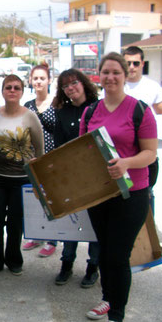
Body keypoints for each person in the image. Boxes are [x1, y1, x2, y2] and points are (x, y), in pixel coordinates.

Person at [81, 52, 157, 322]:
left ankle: (117, 317)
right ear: (98, 76)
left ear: (125, 75)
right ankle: (107, 298)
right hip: (100, 194)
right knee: (103, 252)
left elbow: (150, 154)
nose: (110, 77)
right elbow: (84, 151)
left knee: (118, 256)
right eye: (106, 72)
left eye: (116, 72)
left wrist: (125, 163)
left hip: (132, 194)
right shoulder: (90, 112)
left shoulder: (140, 110)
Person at [0, 75, 44, 277]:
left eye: (16, 87)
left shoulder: (30, 116)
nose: (12, 90)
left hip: (21, 179)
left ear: (22, 91)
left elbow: (39, 148)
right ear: (2, 91)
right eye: (8, 87)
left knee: (16, 222)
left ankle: (14, 260)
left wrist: (38, 177)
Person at [52, 69, 100, 287]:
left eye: (74, 83)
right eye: (66, 86)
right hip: (71, 177)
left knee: (95, 225)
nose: (71, 88)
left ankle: (93, 268)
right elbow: (58, 146)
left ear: (83, 83)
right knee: (71, 224)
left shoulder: (99, 107)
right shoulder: (62, 112)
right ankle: (67, 264)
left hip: (97, 176)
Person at [122, 45, 162, 214]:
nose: (132, 67)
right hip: (122, 153)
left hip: (145, 152)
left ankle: (149, 235)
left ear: (142, 64)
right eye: (128, 63)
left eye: (136, 63)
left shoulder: (152, 87)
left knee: (147, 191)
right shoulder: (116, 87)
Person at [22, 64, 58, 257]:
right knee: (35, 198)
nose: (38, 82)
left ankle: (52, 239)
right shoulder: (27, 106)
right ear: (30, 80)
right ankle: (36, 236)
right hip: (33, 159)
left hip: (53, 159)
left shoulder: (57, 103)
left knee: (52, 198)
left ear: (49, 80)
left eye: (42, 78)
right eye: (35, 78)